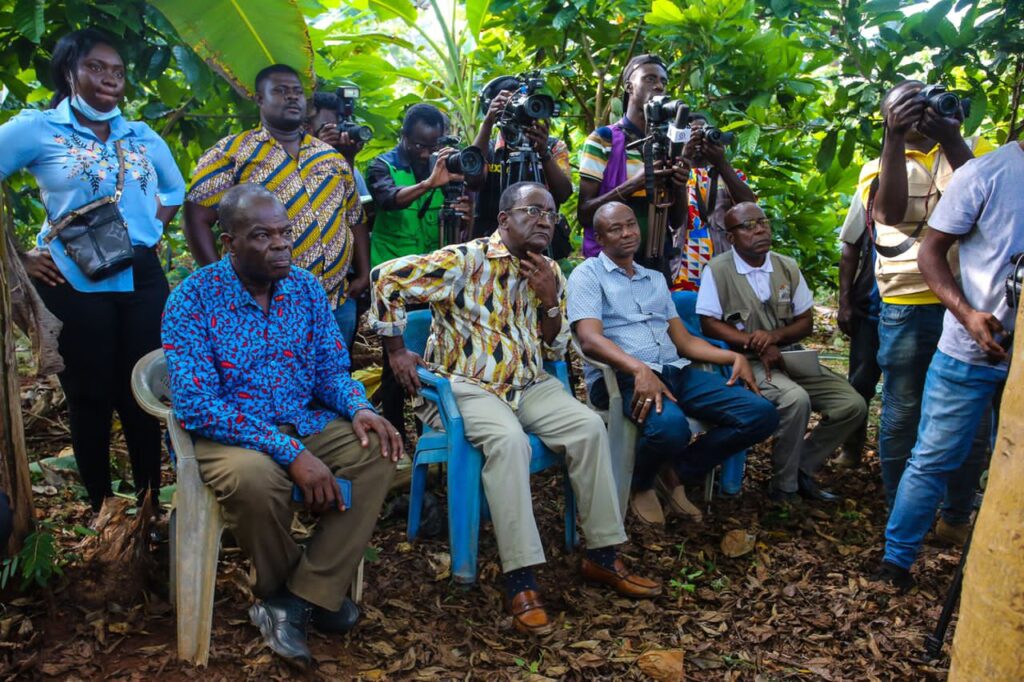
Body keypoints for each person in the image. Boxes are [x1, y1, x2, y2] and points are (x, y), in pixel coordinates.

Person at [371, 182, 661, 636]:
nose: (545, 220)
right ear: (504, 219)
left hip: (529, 383)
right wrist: (395, 351)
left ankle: (602, 556)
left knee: (589, 427)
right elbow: (384, 277)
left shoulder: (550, 269)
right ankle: (521, 580)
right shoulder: (464, 260)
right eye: (534, 211)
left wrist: (548, 299)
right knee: (508, 443)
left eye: (551, 214)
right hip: (468, 385)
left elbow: (553, 345)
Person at [162, 184, 400, 667]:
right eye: (262, 235)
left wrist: (359, 407)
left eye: (285, 233)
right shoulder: (192, 299)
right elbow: (197, 404)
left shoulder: (305, 289)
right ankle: (303, 593)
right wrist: (290, 453)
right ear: (229, 243)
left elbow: (331, 371)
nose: (280, 245)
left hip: (303, 418)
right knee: (256, 480)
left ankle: (293, 601)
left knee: (377, 451)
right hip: (231, 431)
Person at [0, 28, 186, 511]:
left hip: (142, 279)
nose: (110, 79)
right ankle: (102, 508)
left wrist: (149, 231)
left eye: (117, 71)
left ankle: (148, 505)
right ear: (69, 71)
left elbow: (175, 190)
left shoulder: (140, 134)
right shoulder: (38, 129)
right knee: (90, 396)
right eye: (96, 68)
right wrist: (19, 257)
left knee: (144, 392)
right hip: (72, 279)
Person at [568, 202, 778, 525]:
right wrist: (638, 368)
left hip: (675, 370)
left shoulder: (654, 278)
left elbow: (684, 342)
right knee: (671, 429)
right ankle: (641, 483)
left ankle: (676, 472)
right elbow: (589, 339)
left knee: (760, 414)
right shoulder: (587, 274)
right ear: (599, 237)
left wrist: (733, 356)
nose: (627, 233)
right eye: (615, 229)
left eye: (630, 224)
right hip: (623, 377)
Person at [876, 139, 1024, 589]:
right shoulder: (986, 173)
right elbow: (930, 252)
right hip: (971, 348)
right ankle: (896, 561)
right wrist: (968, 314)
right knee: (935, 457)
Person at [859, 80, 992, 542]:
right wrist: (894, 139)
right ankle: (902, 512)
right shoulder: (876, 165)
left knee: (973, 418)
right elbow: (890, 214)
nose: (921, 110)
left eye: (927, 99)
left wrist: (952, 138)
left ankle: (955, 517)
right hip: (907, 304)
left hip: (971, 303)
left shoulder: (977, 151)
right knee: (903, 412)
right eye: (907, 105)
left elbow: (989, 200)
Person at [184, 64, 368, 350]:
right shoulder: (232, 152)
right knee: (269, 374)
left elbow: (354, 217)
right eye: (281, 91)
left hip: (335, 301)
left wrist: (364, 273)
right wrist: (223, 282)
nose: (292, 97)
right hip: (263, 301)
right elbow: (196, 218)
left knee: (332, 374)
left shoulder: (330, 156)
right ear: (259, 98)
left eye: (297, 92)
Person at [698, 202, 866, 503]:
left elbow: (805, 321)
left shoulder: (786, 266)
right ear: (731, 237)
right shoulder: (718, 270)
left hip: (790, 356)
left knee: (851, 405)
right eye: (748, 226)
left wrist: (774, 337)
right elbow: (708, 323)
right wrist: (753, 342)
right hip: (749, 362)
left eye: (763, 222)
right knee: (795, 399)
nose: (760, 230)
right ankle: (784, 488)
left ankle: (802, 465)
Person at [366, 103, 473, 432]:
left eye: (432, 145)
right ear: (403, 135)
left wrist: (466, 212)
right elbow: (387, 199)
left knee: (435, 352)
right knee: (395, 358)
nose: (426, 152)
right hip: (392, 283)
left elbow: (462, 229)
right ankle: (395, 429)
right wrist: (428, 183)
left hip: (434, 279)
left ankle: (434, 426)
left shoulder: (445, 166)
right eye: (418, 145)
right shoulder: (382, 165)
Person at [577, 54, 690, 270]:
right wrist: (635, 184)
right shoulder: (603, 139)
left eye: (663, 81)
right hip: (611, 268)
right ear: (629, 87)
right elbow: (584, 214)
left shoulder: (668, 145)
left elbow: (676, 222)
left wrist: (679, 185)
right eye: (649, 79)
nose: (659, 86)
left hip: (657, 266)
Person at [469, 75, 573, 240]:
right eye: (510, 105)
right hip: (492, 240)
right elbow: (472, 180)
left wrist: (544, 153)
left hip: (540, 241)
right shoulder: (487, 148)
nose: (517, 111)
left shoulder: (553, 147)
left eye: (521, 102)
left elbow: (563, 194)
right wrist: (488, 122)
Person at [670, 112, 757, 292]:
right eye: (692, 134)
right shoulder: (673, 173)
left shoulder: (731, 174)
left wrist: (721, 163)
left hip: (725, 273)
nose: (699, 140)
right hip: (680, 274)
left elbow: (750, 208)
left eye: (703, 133)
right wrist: (684, 157)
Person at [835, 193, 882, 467]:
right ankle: (851, 449)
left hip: (920, 307)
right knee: (860, 382)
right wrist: (845, 301)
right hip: (870, 304)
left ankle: (895, 456)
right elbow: (850, 248)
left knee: (907, 391)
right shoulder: (872, 180)